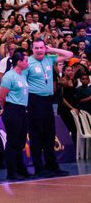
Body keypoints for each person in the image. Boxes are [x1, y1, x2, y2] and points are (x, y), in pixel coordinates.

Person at [24, 38, 73, 177]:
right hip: (34, 100)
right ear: (32, 49)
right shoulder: (27, 62)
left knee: (49, 134)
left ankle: (52, 166)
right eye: (36, 48)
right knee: (36, 135)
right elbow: (22, 81)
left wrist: (51, 49)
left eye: (41, 48)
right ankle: (39, 168)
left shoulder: (48, 59)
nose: (39, 50)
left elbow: (69, 54)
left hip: (47, 101)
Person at [0, 49, 31, 180]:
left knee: (20, 142)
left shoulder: (22, 75)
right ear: (19, 62)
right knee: (12, 142)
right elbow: (2, 96)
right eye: (26, 60)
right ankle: (11, 172)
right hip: (12, 110)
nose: (28, 62)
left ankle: (20, 169)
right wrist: (7, 108)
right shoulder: (9, 76)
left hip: (23, 110)